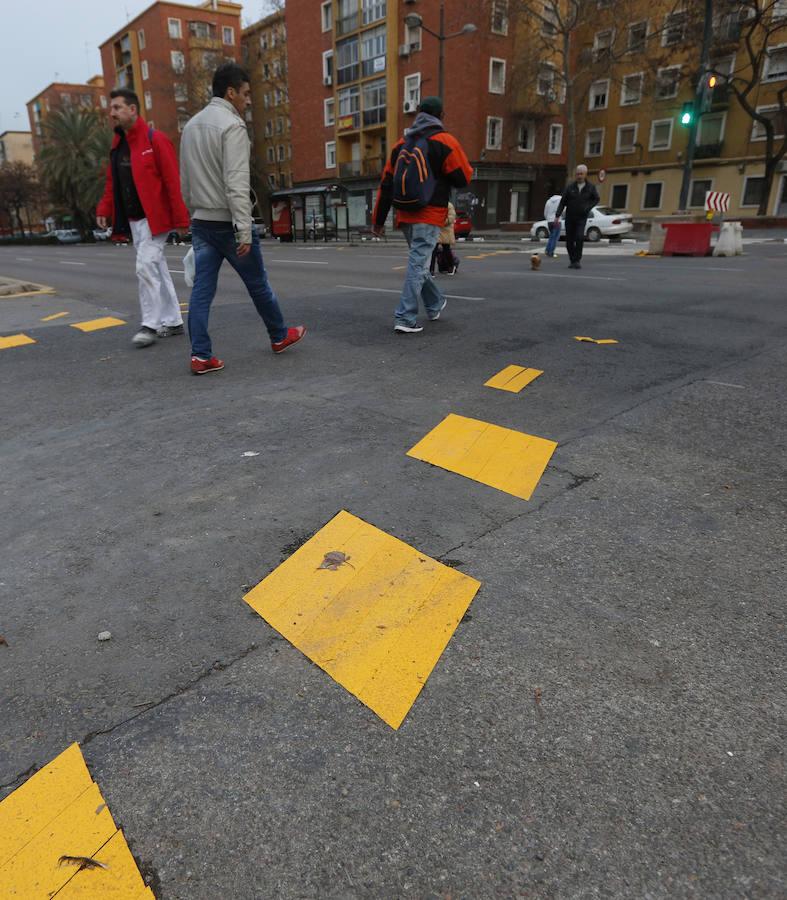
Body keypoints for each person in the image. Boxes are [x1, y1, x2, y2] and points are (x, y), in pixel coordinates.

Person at [179, 62, 304, 375]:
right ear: (230, 92)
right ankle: (278, 335)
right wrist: (243, 230)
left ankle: (201, 355)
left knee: (201, 292)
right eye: (246, 94)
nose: (249, 101)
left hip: (201, 223)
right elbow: (236, 181)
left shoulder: (191, 127)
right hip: (228, 224)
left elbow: (184, 180)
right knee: (258, 284)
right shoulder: (232, 127)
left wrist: (192, 212)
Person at [96, 89, 189, 348]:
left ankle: (150, 324)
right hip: (134, 220)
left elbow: (172, 181)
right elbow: (112, 181)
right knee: (157, 266)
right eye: (111, 108)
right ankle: (173, 320)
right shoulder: (118, 146)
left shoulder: (154, 140)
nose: (111, 113)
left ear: (132, 110)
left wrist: (181, 219)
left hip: (155, 219)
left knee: (145, 266)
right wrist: (104, 208)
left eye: (116, 107)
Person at [372, 97, 472, 333]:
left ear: (418, 114)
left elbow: (386, 185)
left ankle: (435, 302)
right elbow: (463, 178)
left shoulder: (400, 145)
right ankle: (405, 318)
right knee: (418, 265)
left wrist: (378, 221)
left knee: (419, 264)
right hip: (430, 214)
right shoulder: (445, 141)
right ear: (441, 116)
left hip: (405, 215)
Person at [554, 164, 599, 269]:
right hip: (570, 217)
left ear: (585, 174)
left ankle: (577, 260)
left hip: (581, 218)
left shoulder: (590, 187)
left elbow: (596, 199)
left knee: (579, 237)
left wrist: (587, 207)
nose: (579, 176)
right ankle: (572, 260)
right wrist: (557, 216)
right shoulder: (570, 187)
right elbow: (562, 202)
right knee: (569, 240)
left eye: (581, 174)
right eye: (577, 174)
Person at [430, 201, 459, 276]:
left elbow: (451, 217)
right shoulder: (434, 204)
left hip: (445, 230)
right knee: (433, 250)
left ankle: (451, 266)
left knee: (446, 250)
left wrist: (440, 221)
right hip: (436, 229)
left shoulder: (449, 205)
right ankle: (431, 270)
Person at [543, 192, 562, 258]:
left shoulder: (548, 201)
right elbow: (563, 209)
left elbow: (545, 212)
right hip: (557, 220)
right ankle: (551, 252)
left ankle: (547, 250)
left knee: (551, 236)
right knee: (555, 237)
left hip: (549, 221)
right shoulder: (561, 200)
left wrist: (548, 218)